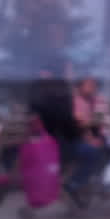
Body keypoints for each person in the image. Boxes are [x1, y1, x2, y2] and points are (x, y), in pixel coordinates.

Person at [28, 78, 104, 207]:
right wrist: (89, 135)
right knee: (95, 153)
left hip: (55, 144)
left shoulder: (55, 101)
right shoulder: (70, 101)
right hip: (59, 147)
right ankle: (73, 185)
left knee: (98, 151)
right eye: (89, 85)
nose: (92, 88)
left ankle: (75, 187)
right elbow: (73, 126)